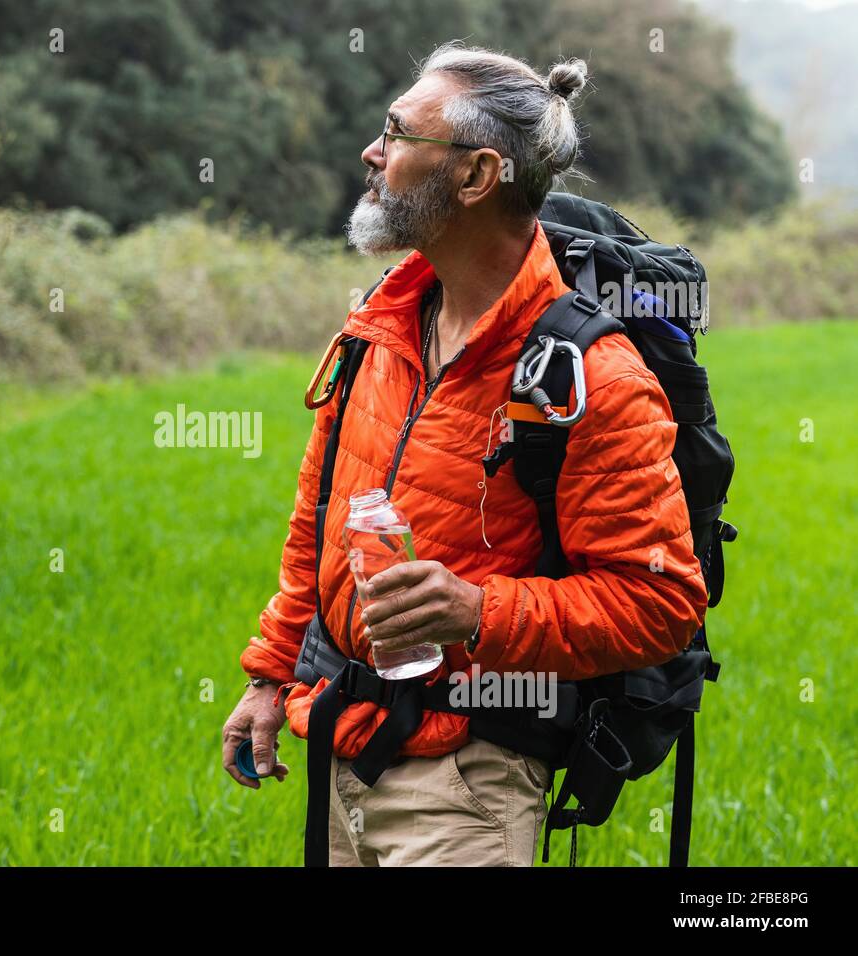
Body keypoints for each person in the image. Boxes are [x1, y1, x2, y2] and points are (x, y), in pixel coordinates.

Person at [221, 42, 708, 867]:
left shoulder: (592, 375)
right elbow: (321, 519)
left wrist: (477, 614)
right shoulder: (384, 323)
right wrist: (272, 675)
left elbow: (659, 603)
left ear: (478, 176)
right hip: (341, 747)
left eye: (398, 132)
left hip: (469, 788)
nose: (373, 154)